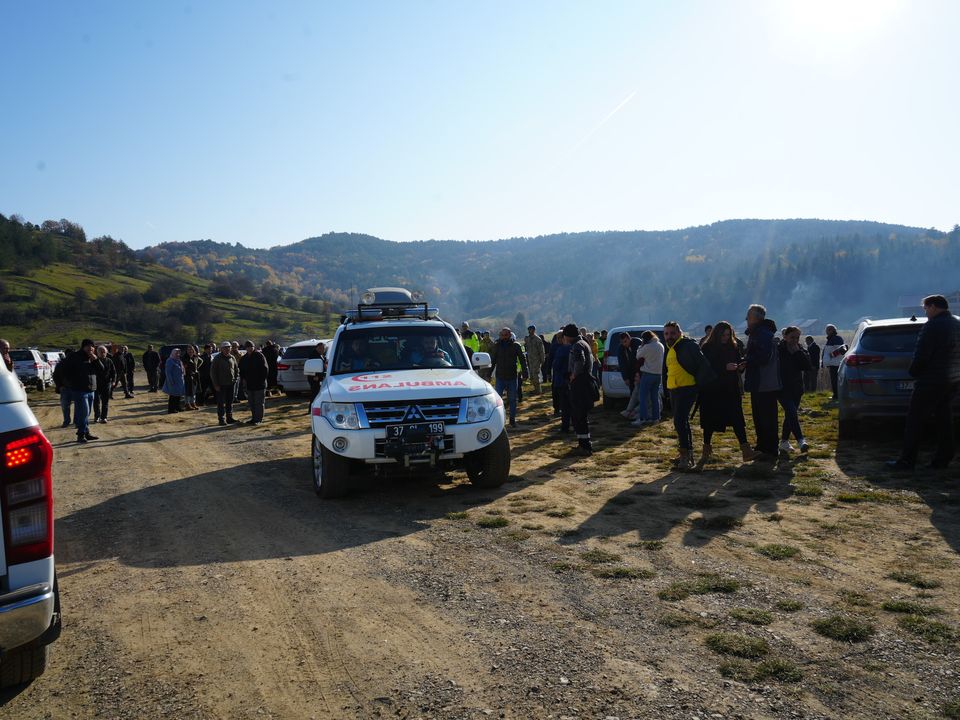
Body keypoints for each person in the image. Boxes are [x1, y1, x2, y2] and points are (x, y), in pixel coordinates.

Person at [888, 294, 960, 470]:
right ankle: (943, 458)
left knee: (915, 420)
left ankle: (907, 460)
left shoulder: (932, 326)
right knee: (944, 419)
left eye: (926, 308)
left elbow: (922, 355)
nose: (925, 312)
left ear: (933, 306)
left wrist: (913, 372)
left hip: (931, 379)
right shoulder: (956, 324)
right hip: (952, 379)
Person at [662, 322, 713, 470]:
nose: (669, 336)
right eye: (666, 334)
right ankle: (686, 454)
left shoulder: (687, 345)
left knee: (679, 421)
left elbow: (702, 364)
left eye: (672, 333)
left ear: (679, 333)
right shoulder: (670, 348)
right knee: (681, 422)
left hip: (687, 388)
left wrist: (698, 384)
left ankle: (685, 457)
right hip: (674, 390)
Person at [744, 304, 782, 461]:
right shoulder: (760, 333)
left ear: (755, 318)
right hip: (762, 381)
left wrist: (747, 361)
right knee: (760, 417)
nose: (746, 319)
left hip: (764, 381)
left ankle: (770, 448)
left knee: (766, 417)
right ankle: (762, 446)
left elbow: (763, 357)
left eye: (748, 317)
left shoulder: (762, 334)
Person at [779, 326, 812, 453]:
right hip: (782, 388)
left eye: (797, 338)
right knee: (792, 412)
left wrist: (798, 353)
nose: (795, 340)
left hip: (797, 388)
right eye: (792, 337)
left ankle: (784, 442)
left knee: (789, 415)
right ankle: (800, 440)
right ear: (785, 337)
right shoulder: (779, 349)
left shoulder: (800, 349)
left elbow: (807, 366)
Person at [564, 324, 596, 455]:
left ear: (569, 335)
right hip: (584, 382)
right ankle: (583, 443)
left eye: (565, 336)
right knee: (580, 416)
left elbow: (580, 361)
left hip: (580, 384)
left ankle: (585, 447)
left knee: (579, 415)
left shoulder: (577, 345)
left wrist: (573, 375)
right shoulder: (583, 342)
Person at [61, 339, 98, 443]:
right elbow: (64, 371)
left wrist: (96, 360)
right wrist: (71, 384)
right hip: (79, 390)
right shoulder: (75, 356)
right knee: (83, 413)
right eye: (88, 346)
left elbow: (101, 370)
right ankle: (81, 434)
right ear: (83, 347)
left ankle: (86, 432)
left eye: (92, 346)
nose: (91, 348)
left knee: (88, 413)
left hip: (91, 389)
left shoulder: (93, 358)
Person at [490, 327, 528, 428]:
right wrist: (489, 374)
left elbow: (522, 360)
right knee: (497, 400)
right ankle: (498, 420)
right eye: (502, 335)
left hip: (512, 377)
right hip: (500, 377)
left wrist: (525, 373)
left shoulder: (516, 346)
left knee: (512, 399)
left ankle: (512, 420)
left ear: (510, 335)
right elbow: (493, 361)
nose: (504, 337)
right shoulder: (497, 346)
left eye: (506, 335)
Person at [631, 331, 665, 427]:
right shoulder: (660, 345)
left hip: (647, 374)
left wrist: (640, 346)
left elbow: (638, 355)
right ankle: (656, 418)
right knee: (655, 397)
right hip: (658, 375)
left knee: (643, 397)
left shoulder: (646, 347)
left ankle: (643, 418)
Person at [240, 340, 270, 425]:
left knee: (259, 403)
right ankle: (254, 418)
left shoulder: (259, 356)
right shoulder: (244, 358)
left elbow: (265, 369)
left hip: (259, 384)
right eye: (248, 347)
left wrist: (262, 380)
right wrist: (243, 380)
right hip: (249, 384)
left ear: (253, 347)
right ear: (246, 348)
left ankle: (258, 419)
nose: (249, 348)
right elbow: (241, 370)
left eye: (251, 347)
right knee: (252, 403)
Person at [211, 341, 239, 425]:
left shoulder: (232, 357)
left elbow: (236, 369)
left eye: (229, 347)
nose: (227, 349)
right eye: (225, 347)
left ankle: (229, 418)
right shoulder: (217, 358)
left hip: (231, 384)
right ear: (221, 349)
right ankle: (221, 419)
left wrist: (235, 379)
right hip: (221, 384)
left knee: (230, 402)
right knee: (221, 403)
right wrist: (216, 384)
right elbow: (213, 372)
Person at [616, 332, 643, 414]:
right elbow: (622, 363)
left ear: (629, 338)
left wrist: (639, 373)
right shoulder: (621, 348)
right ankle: (633, 411)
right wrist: (625, 377)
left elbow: (642, 358)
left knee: (642, 393)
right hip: (630, 373)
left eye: (625, 341)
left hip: (642, 372)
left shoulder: (638, 343)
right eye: (622, 342)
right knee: (633, 392)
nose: (624, 344)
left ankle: (641, 411)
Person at [551, 330, 572, 427]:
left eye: (560, 337)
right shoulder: (573, 347)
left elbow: (556, 365)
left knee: (565, 404)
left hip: (561, 379)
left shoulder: (562, 350)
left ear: (564, 338)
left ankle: (565, 426)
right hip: (572, 378)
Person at [92, 345, 116, 424]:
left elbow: (113, 372)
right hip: (96, 384)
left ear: (106, 352)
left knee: (105, 402)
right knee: (96, 402)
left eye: (104, 352)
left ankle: (104, 417)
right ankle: (97, 416)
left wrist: (113, 381)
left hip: (106, 384)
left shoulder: (109, 361)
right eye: (101, 352)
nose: (103, 353)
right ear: (97, 353)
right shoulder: (94, 361)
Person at [822, 324, 847, 400]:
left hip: (836, 363)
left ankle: (837, 395)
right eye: (826, 330)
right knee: (834, 380)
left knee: (835, 380)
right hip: (833, 363)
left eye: (828, 330)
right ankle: (836, 394)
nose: (826, 331)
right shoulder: (831, 338)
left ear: (832, 330)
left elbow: (842, 350)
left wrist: (831, 355)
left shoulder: (836, 338)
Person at [52, 349, 73, 427]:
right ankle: (67, 421)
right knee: (65, 406)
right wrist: (60, 386)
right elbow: (55, 376)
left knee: (77, 406)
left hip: (76, 388)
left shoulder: (77, 363)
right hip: (65, 388)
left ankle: (76, 421)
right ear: (66, 355)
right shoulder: (60, 364)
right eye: (69, 354)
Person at [524, 325, 546, 394]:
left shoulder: (537, 339)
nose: (529, 331)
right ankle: (535, 388)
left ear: (534, 330)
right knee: (532, 376)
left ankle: (538, 390)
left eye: (531, 329)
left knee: (535, 375)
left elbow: (541, 350)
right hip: (530, 359)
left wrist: (542, 360)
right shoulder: (527, 339)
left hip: (536, 360)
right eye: (529, 330)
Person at [162, 348, 185, 414]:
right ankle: (171, 409)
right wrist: (170, 381)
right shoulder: (170, 360)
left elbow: (182, 370)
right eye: (176, 353)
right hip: (173, 381)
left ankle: (177, 407)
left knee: (178, 395)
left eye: (178, 353)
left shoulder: (178, 360)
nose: (178, 354)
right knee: (173, 395)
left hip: (179, 381)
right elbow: (168, 372)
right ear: (173, 353)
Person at [183, 345, 201, 410]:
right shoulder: (185, 358)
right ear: (186, 351)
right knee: (188, 391)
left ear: (193, 351)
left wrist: (196, 369)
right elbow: (184, 367)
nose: (190, 351)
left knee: (193, 390)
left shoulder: (194, 357)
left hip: (194, 376)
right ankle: (187, 404)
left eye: (191, 350)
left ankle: (193, 403)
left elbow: (201, 361)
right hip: (187, 376)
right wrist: (189, 372)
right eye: (188, 350)